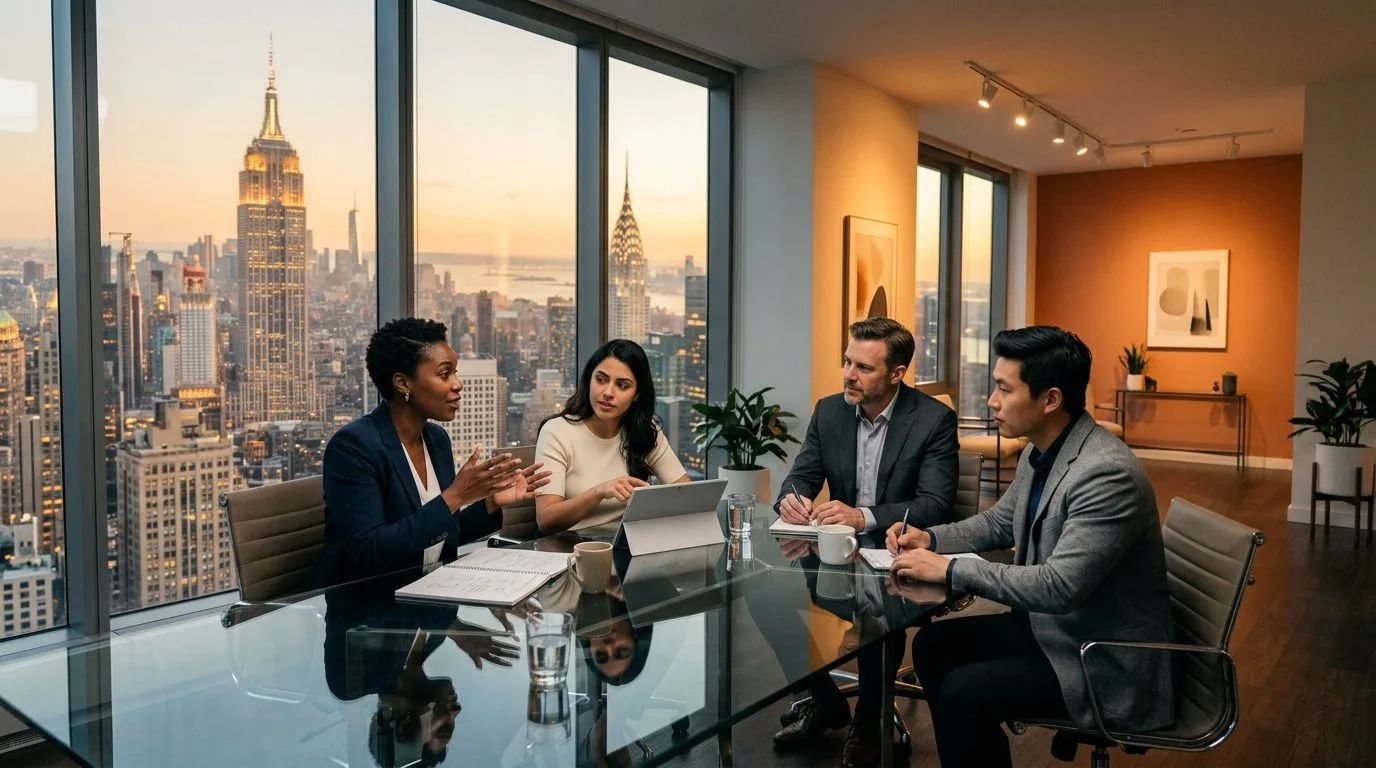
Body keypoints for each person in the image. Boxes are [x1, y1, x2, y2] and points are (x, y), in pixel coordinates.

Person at [887, 326, 1174, 768]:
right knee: (932, 646)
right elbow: (1001, 522)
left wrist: (947, 569)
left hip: (1099, 656)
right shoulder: (1043, 450)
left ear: (1050, 400)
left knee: (965, 694)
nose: (991, 401)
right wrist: (931, 539)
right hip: (1058, 631)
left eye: (1004, 389)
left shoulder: (1106, 473)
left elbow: (1057, 587)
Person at [770, 317, 959, 766]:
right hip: (835, 553)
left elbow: (936, 504)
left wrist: (863, 516)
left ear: (897, 373)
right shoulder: (829, 410)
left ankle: (870, 721)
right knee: (767, 601)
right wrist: (791, 499)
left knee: (880, 613)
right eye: (847, 361)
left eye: (864, 368)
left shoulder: (933, 420)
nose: (848, 375)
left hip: (899, 551)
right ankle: (826, 701)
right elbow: (801, 474)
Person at [316, 317, 551, 588]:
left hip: (432, 598)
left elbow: (441, 532)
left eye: (455, 373)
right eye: (444, 374)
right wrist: (454, 497)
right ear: (403, 383)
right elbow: (371, 553)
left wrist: (490, 503)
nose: (458, 384)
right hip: (370, 615)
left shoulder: (436, 439)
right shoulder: (353, 447)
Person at [535, 339, 689, 534]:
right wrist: (599, 491)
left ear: (637, 394)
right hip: (572, 550)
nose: (608, 392)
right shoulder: (557, 431)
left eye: (622, 386)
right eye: (601, 379)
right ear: (589, 380)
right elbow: (546, 519)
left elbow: (686, 497)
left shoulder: (646, 432)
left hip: (630, 546)